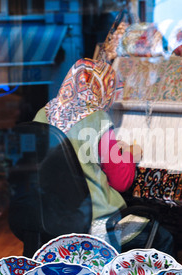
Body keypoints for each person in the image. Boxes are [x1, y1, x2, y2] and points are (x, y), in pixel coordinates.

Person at [33, 58, 174, 255]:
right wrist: (129, 154)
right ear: (101, 87)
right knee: (163, 238)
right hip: (96, 226)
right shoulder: (97, 118)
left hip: (52, 221)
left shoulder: (43, 114)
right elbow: (121, 181)